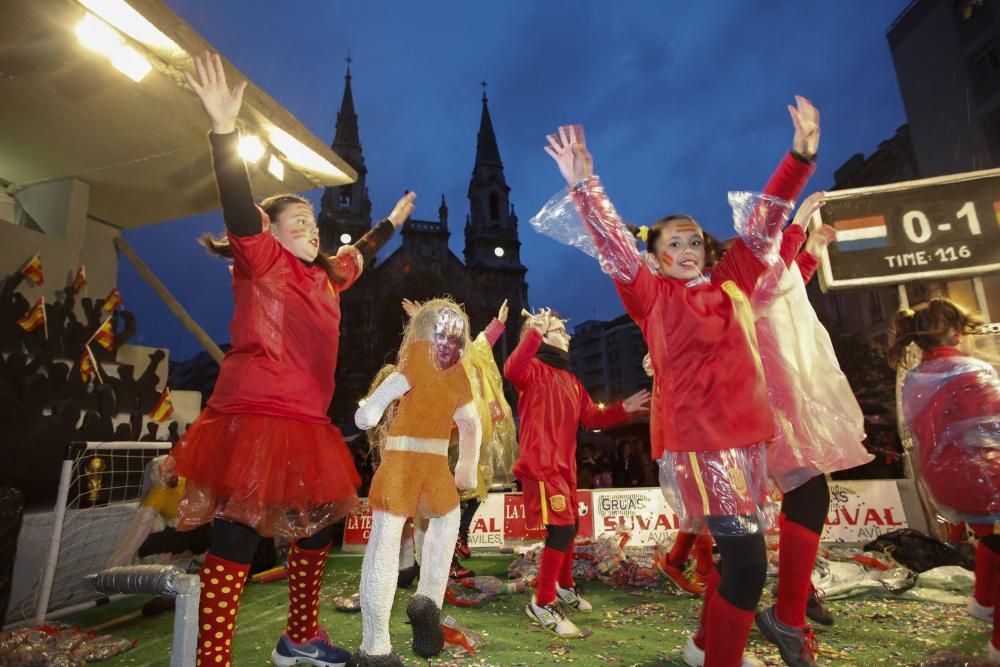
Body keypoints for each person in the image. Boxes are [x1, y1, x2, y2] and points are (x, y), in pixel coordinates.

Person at [534, 96, 818, 667]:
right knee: (747, 565)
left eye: (693, 241)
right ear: (657, 259)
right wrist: (586, 186)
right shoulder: (651, 296)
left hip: (747, 441)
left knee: (738, 561)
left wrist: (799, 157)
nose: (687, 250)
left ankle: (704, 647)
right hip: (701, 445)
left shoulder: (732, 281)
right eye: (673, 244)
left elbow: (765, 222)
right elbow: (615, 244)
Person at [171, 52, 415, 667]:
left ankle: (299, 637)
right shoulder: (262, 262)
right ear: (271, 232)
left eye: (313, 221)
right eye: (299, 220)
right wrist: (224, 133)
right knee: (238, 525)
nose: (311, 228)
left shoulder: (328, 278)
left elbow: (358, 251)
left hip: (307, 421)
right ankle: (212, 657)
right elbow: (235, 207)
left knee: (322, 523)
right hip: (254, 412)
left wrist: (388, 222)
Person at [352, 299, 482, 666]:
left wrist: (368, 411)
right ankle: (426, 603)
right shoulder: (457, 371)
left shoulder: (422, 357)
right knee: (445, 521)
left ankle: (377, 646)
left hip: (406, 464)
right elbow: (472, 424)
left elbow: (388, 391)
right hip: (434, 464)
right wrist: (467, 469)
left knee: (386, 542)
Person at [505, 307, 649, 638]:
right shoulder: (533, 370)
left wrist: (621, 410)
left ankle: (564, 586)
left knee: (570, 529)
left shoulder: (571, 380)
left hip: (565, 469)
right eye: (560, 330)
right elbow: (512, 368)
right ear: (540, 336)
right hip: (542, 466)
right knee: (561, 530)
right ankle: (541, 602)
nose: (567, 335)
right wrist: (534, 332)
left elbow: (592, 418)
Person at [891, 298, 1000, 663]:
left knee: (992, 537)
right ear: (955, 331)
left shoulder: (915, 377)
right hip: (984, 476)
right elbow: (993, 427)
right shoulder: (973, 371)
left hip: (945, 480)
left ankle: (983, 602)